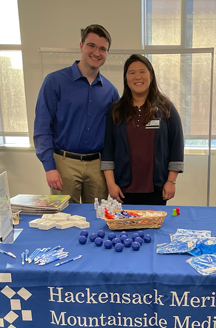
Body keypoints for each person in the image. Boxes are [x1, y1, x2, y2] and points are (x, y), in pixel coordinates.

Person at [34, 24, 119, 203]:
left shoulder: (110, 91)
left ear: (107, 53)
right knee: (64, 219)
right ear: (81, 46)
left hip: (97, 164)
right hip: (64, 162)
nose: (97, 52)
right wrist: (49, 167)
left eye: (103, 49)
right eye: (92, 45)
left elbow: (115, 135)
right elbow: (42, 126)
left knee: (97, 218)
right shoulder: (54, 82)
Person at [101, 54, 184, 206]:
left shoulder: (166, 108)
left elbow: (177, 146)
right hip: (123, 189)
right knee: (126, 229)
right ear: (126, 78)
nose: (137, 76)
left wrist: (171, 181)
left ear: (151, 75)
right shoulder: (115, 110)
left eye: (142, 71)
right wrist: (111, 184)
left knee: (154, 229)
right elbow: (108, 149)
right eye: (131, 72)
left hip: (157, 188)